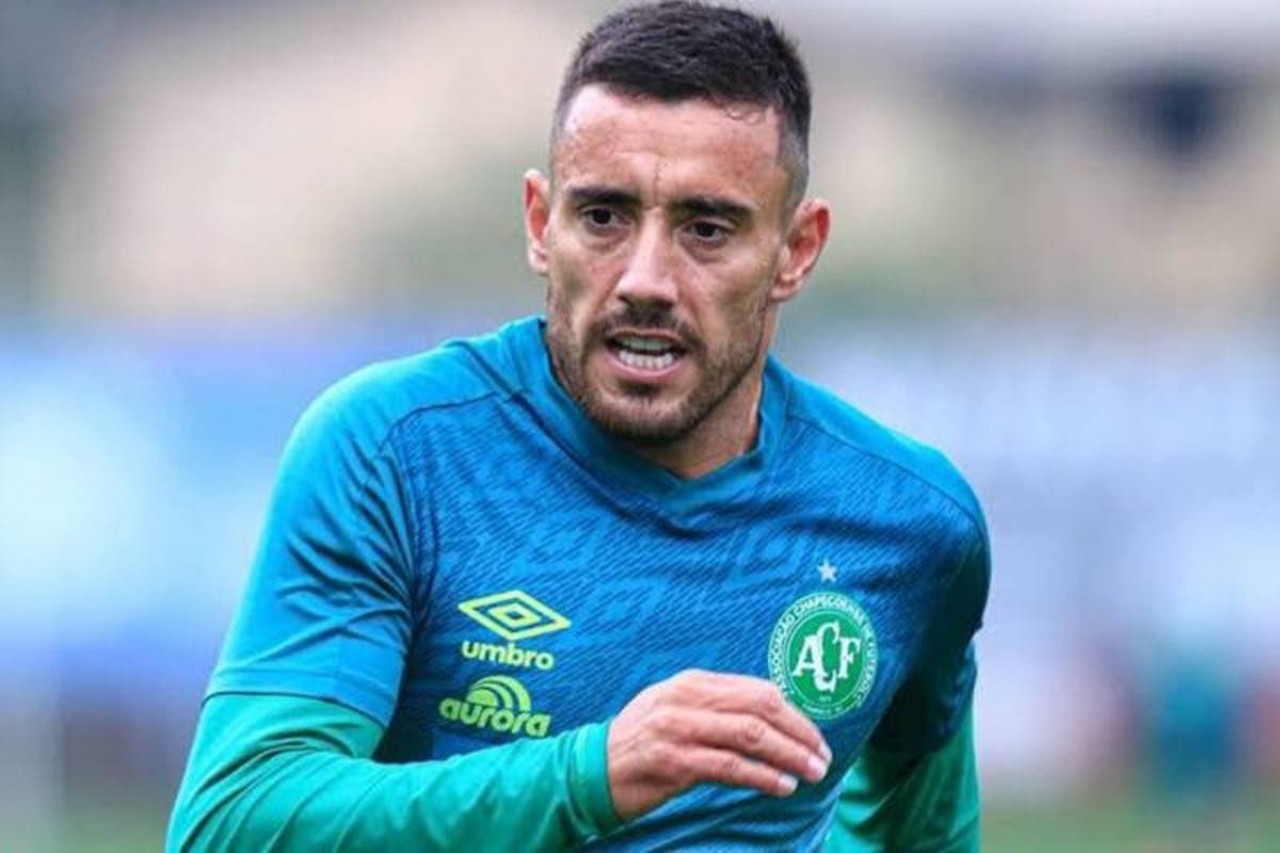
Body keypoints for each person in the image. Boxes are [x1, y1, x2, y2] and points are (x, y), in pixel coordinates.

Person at [167, 2, 990, 850]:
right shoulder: (394, 451)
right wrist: (589, 775)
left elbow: (920, 833)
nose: (645, 280)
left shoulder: (912, 523)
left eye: (706, 229)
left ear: (796, 249)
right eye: (604, 217)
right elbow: (232, 823)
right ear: (540, 223)